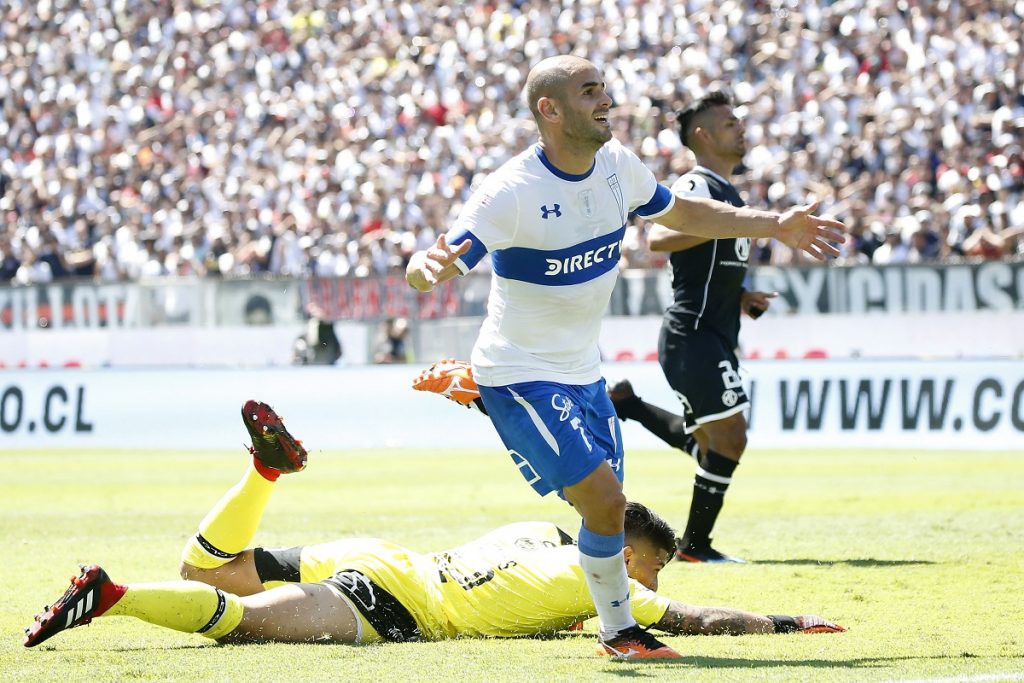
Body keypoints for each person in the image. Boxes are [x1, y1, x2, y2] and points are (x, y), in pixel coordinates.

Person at [405, 55, 844, 658]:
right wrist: (423, 268)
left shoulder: (616, 166)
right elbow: (434, 260)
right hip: (520, 373)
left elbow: (682, 214)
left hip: (585, 373)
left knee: (607, 513)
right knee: (606, 503)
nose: (605, 101)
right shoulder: (510, 192)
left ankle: (604, 617)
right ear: (549, 110)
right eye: (590, 93)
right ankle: (620, 634)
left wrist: (774, 225)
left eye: (605, 90)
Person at [23, 401, 844, 650]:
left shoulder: (534, 534)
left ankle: (264, 471)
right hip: (397, 602)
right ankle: (114, 596)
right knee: (238, 624)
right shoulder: (607, 583)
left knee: (206, 567)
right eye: (649, 569)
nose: (644, 588)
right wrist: (785, 619)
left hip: (381, 554)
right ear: (629, 554)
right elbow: (697, 619)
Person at [608, 91, 779, 564]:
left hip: (711, 332)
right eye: (729, 123)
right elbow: (658, 235)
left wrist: (742, 297)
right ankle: (695, 546)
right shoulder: (698, 185)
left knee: (711, 442)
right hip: (693, 334)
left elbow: (706, 262)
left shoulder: (728, 194)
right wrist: (732, 225)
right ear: (702, 136)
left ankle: (631, 406)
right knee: (730, 439)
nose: (740, 129)